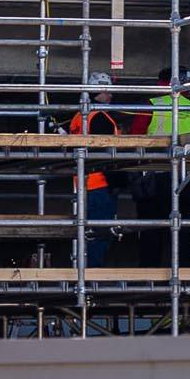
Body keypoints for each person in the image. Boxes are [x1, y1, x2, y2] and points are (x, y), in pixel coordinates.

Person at [129, 70, 190, 267]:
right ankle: (183, 279)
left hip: (155, 177)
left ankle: (150, 281)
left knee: (151, 232)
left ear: (161, 82)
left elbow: (134, 140)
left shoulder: (152, 105)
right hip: (187, 177)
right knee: (183, 232)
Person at [66, 72, 123, 268]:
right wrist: (118, 182)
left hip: (83, 183)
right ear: (99, 91)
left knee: (88, 234)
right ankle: (92, 277)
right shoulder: (100, 118)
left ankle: (85, 274)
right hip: (100, 184)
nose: (111, 96)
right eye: (108, 92)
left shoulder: (79, 116)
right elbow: (106, 154)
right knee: (100, 234)